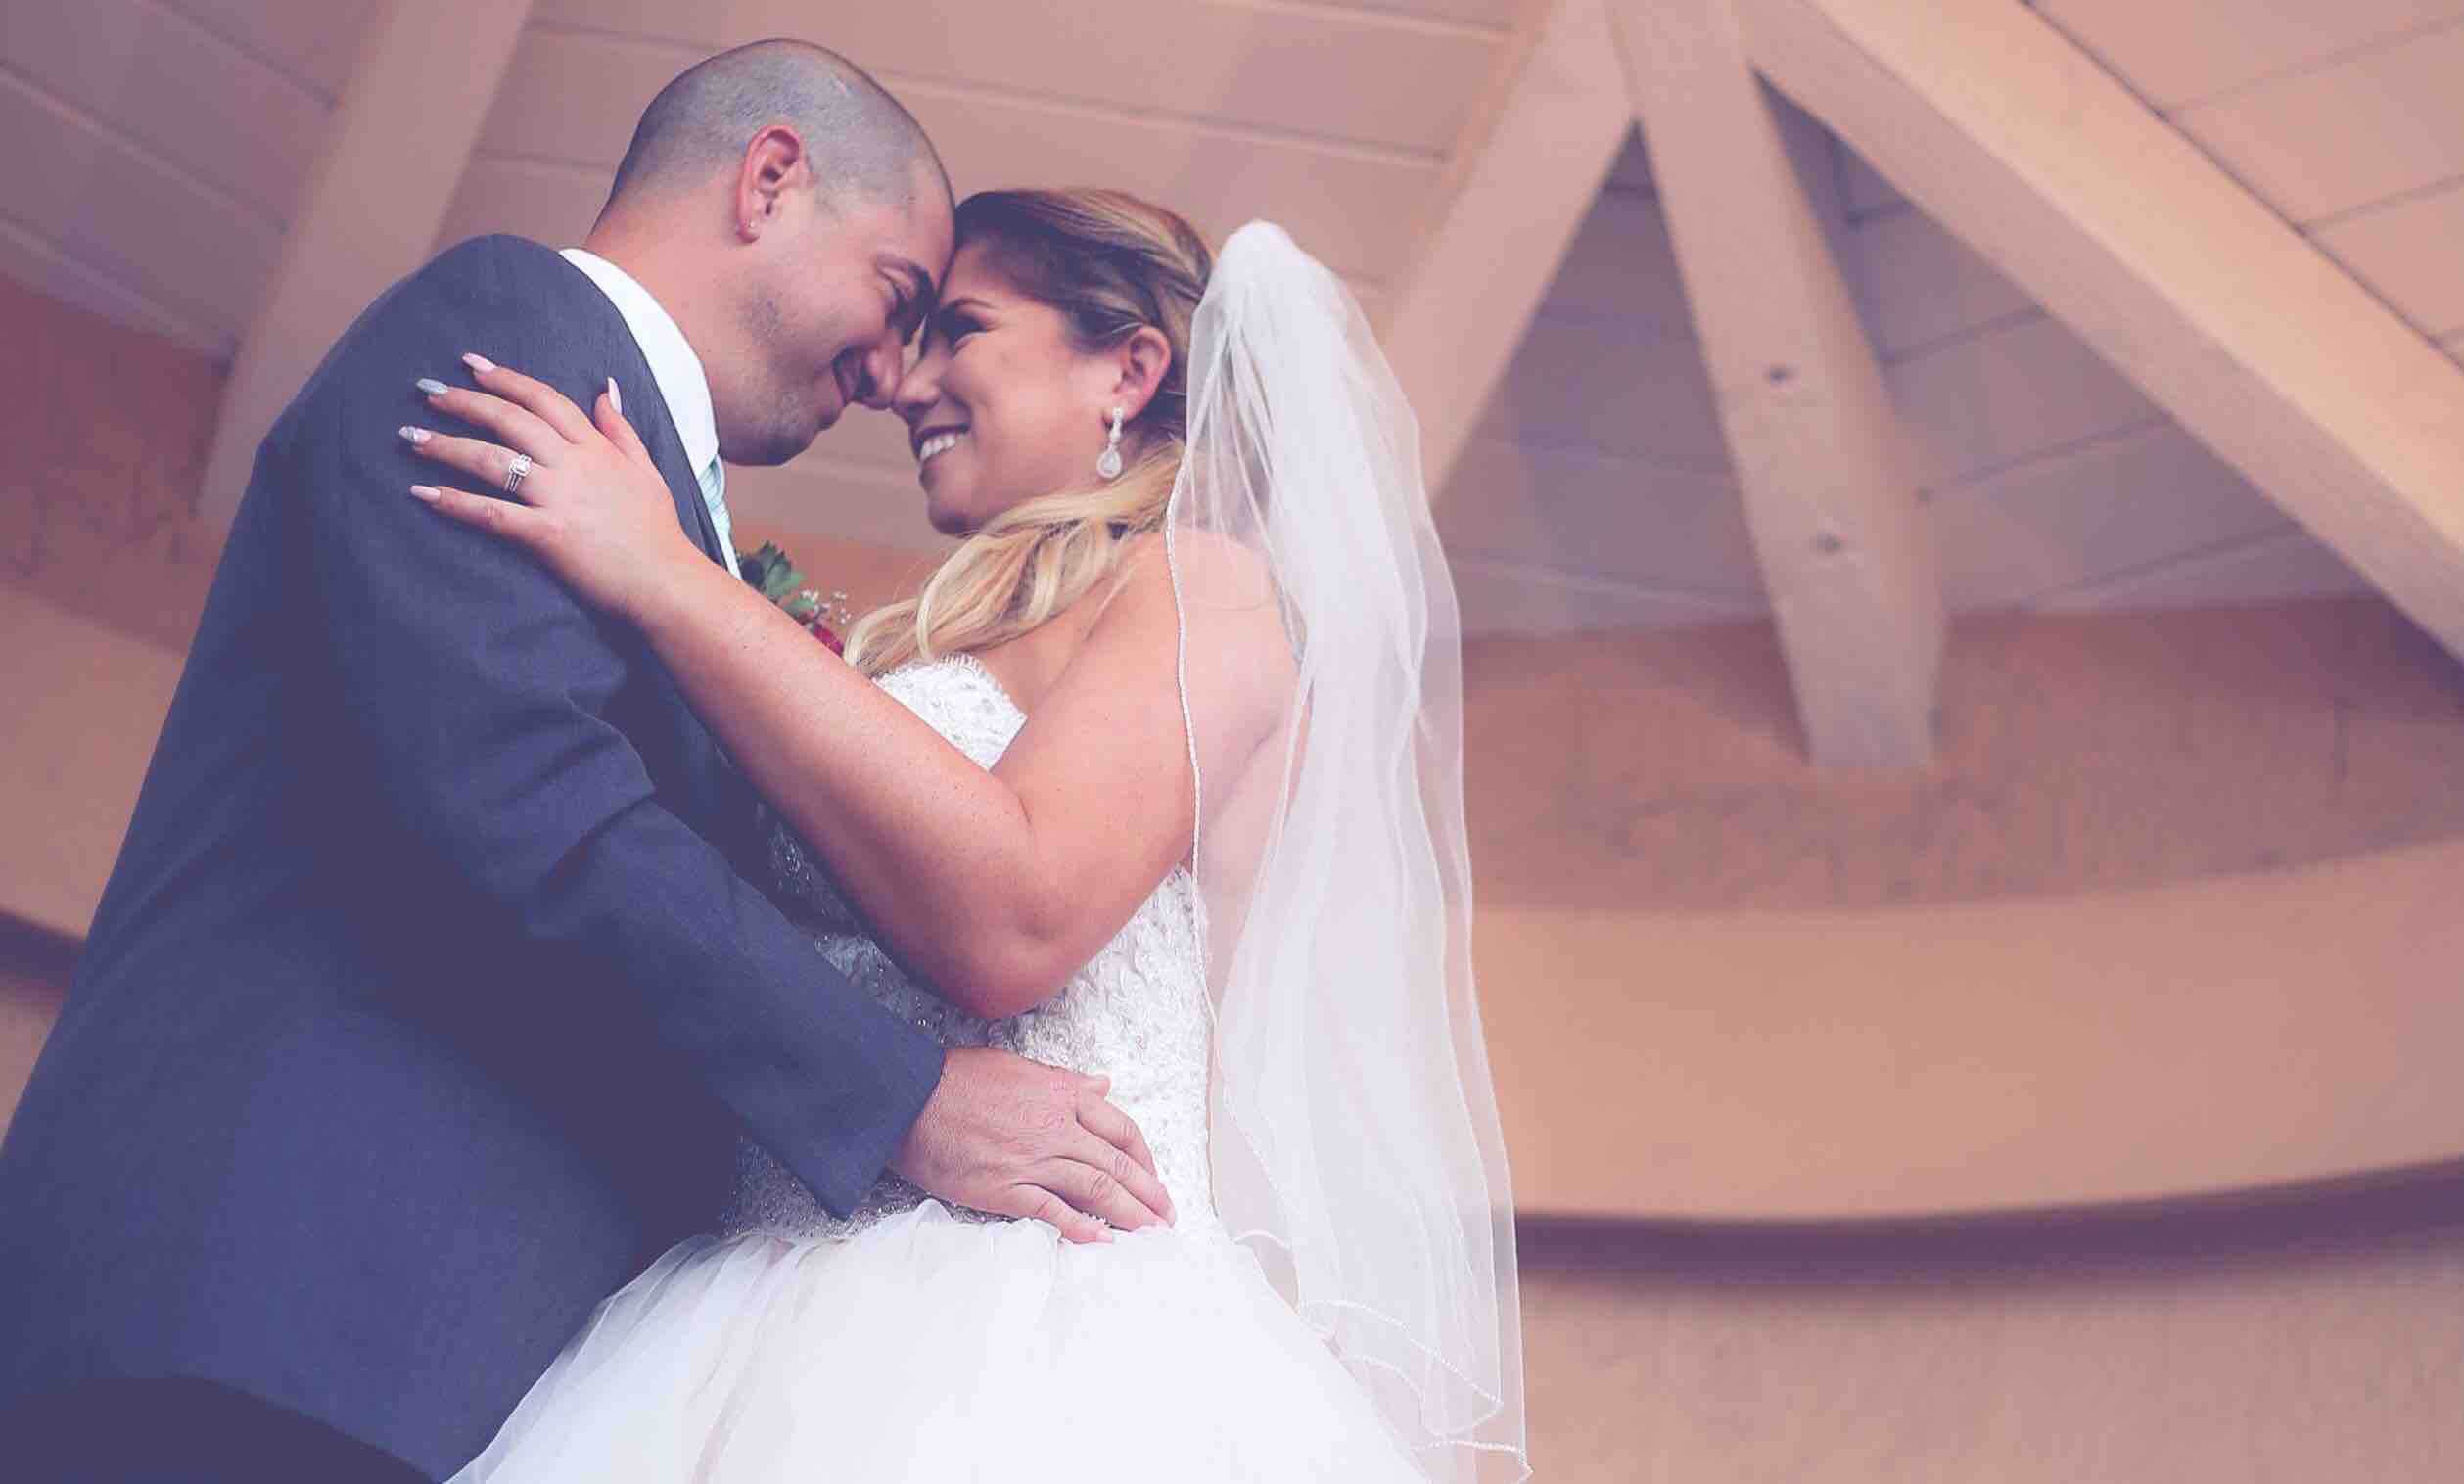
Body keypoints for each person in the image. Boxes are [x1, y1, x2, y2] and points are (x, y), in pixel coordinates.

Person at [0, 42, 1167, 1483]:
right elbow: (526, 790)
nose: (891, 374)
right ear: (770, 179)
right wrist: (904, 1099)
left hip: (436, 1361)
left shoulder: (659, 513)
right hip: (274, 1304)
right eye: (897, 295)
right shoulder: (512, 330)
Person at [398, 188, 1527, 1480]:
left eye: (963, 330)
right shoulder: (949, 634)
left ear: (1128, 370)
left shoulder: (1202, 586)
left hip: (1026, 1323)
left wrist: (664, 576)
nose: (905, 381)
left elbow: (1020, 914)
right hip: (759, 1298)